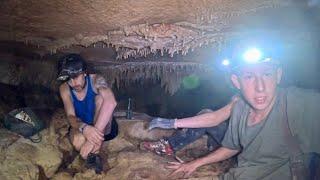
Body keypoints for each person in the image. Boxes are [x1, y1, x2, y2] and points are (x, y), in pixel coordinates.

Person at [149, 42, 320, 179]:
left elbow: (214, 119)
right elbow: (230, 143)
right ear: (236, 82)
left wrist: (172, 123)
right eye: (249, 77)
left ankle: (171, 145)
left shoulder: (298, 103)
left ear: (278, 75)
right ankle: (173, 145)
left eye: (267, 74)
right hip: (237, 172)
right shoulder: (240, 107)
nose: (260, 87)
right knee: (205, 113)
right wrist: (195, 162)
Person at [57, 54, 118, 173]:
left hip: (103, 125)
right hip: (82, 124)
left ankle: (93, 152)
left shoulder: (96, 80)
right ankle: (92, 158)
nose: (74, 83)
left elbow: (111, 102)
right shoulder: (64, 88)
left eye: (76, 77)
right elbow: (70, 116)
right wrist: (84, 127)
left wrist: (91, 139)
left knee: (101, 98)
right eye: (69, 79)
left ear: (85, 73)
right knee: (78, 139)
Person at [140, 101, 237, 156]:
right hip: (229, 139)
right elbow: (217, 117)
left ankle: (168, 146)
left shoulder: (242, 99)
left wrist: (170, 123)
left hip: (239, 148)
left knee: (206, 116)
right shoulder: (239, 99)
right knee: (205, 113)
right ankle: (211, 148)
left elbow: (213, 119)